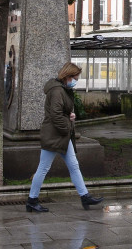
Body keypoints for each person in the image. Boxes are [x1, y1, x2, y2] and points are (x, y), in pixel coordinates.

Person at [26, 62, 103, 212]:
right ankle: (32, 200)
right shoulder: (57, 91)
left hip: (60, 135)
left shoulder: (61, 89)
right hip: (55, 134)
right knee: (43, 168)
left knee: (73, 166)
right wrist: (67, 125)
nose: (76, 80)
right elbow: (55, 115)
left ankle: (84, 196)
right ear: (67, 76)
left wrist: (69, 115)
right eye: (75, 77)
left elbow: (59, 112)